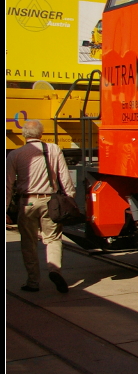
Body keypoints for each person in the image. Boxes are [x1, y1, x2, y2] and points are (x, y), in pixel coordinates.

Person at [5, 119, 75, 293]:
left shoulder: (15, 154)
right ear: (41, 134)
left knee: (28, 243)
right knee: (53, 238)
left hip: (26, 202)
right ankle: (54, 270)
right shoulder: (53, 149)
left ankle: (33, 282)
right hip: (50, 201)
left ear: (23, 135)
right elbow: (64, 177)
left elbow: (8, 184)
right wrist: (70, 198)